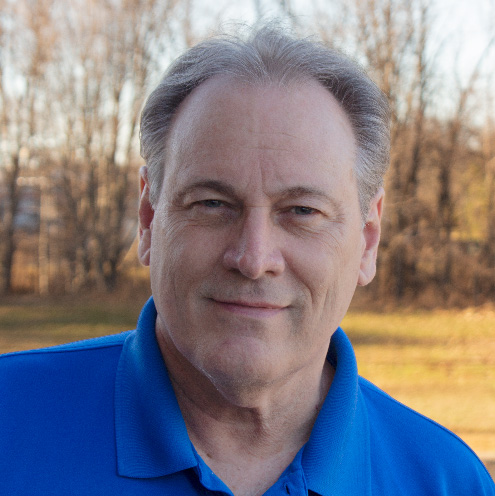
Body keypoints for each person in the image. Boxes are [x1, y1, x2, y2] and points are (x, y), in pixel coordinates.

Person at [1, 24, 494, 496]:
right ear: (149, 219)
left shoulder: (448, 482)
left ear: (368, 240)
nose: (253, 259)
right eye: (212, 204)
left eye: (303, 211)